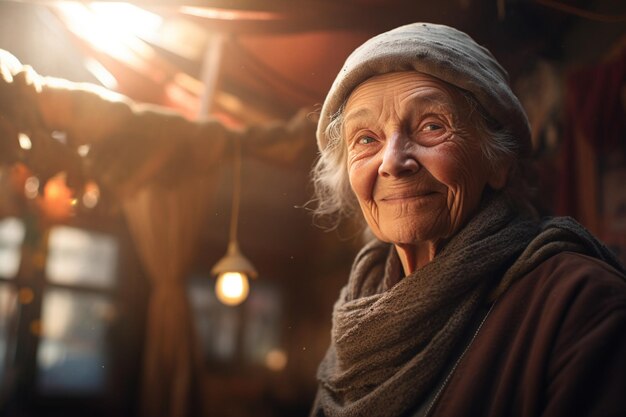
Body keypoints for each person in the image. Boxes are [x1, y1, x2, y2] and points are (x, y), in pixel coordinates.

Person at [310, 23, 626, 417]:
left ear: (498, 161)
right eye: (366, 139)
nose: (392, 162)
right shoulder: (361, 310)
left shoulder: (578, 303)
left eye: (431, 126)